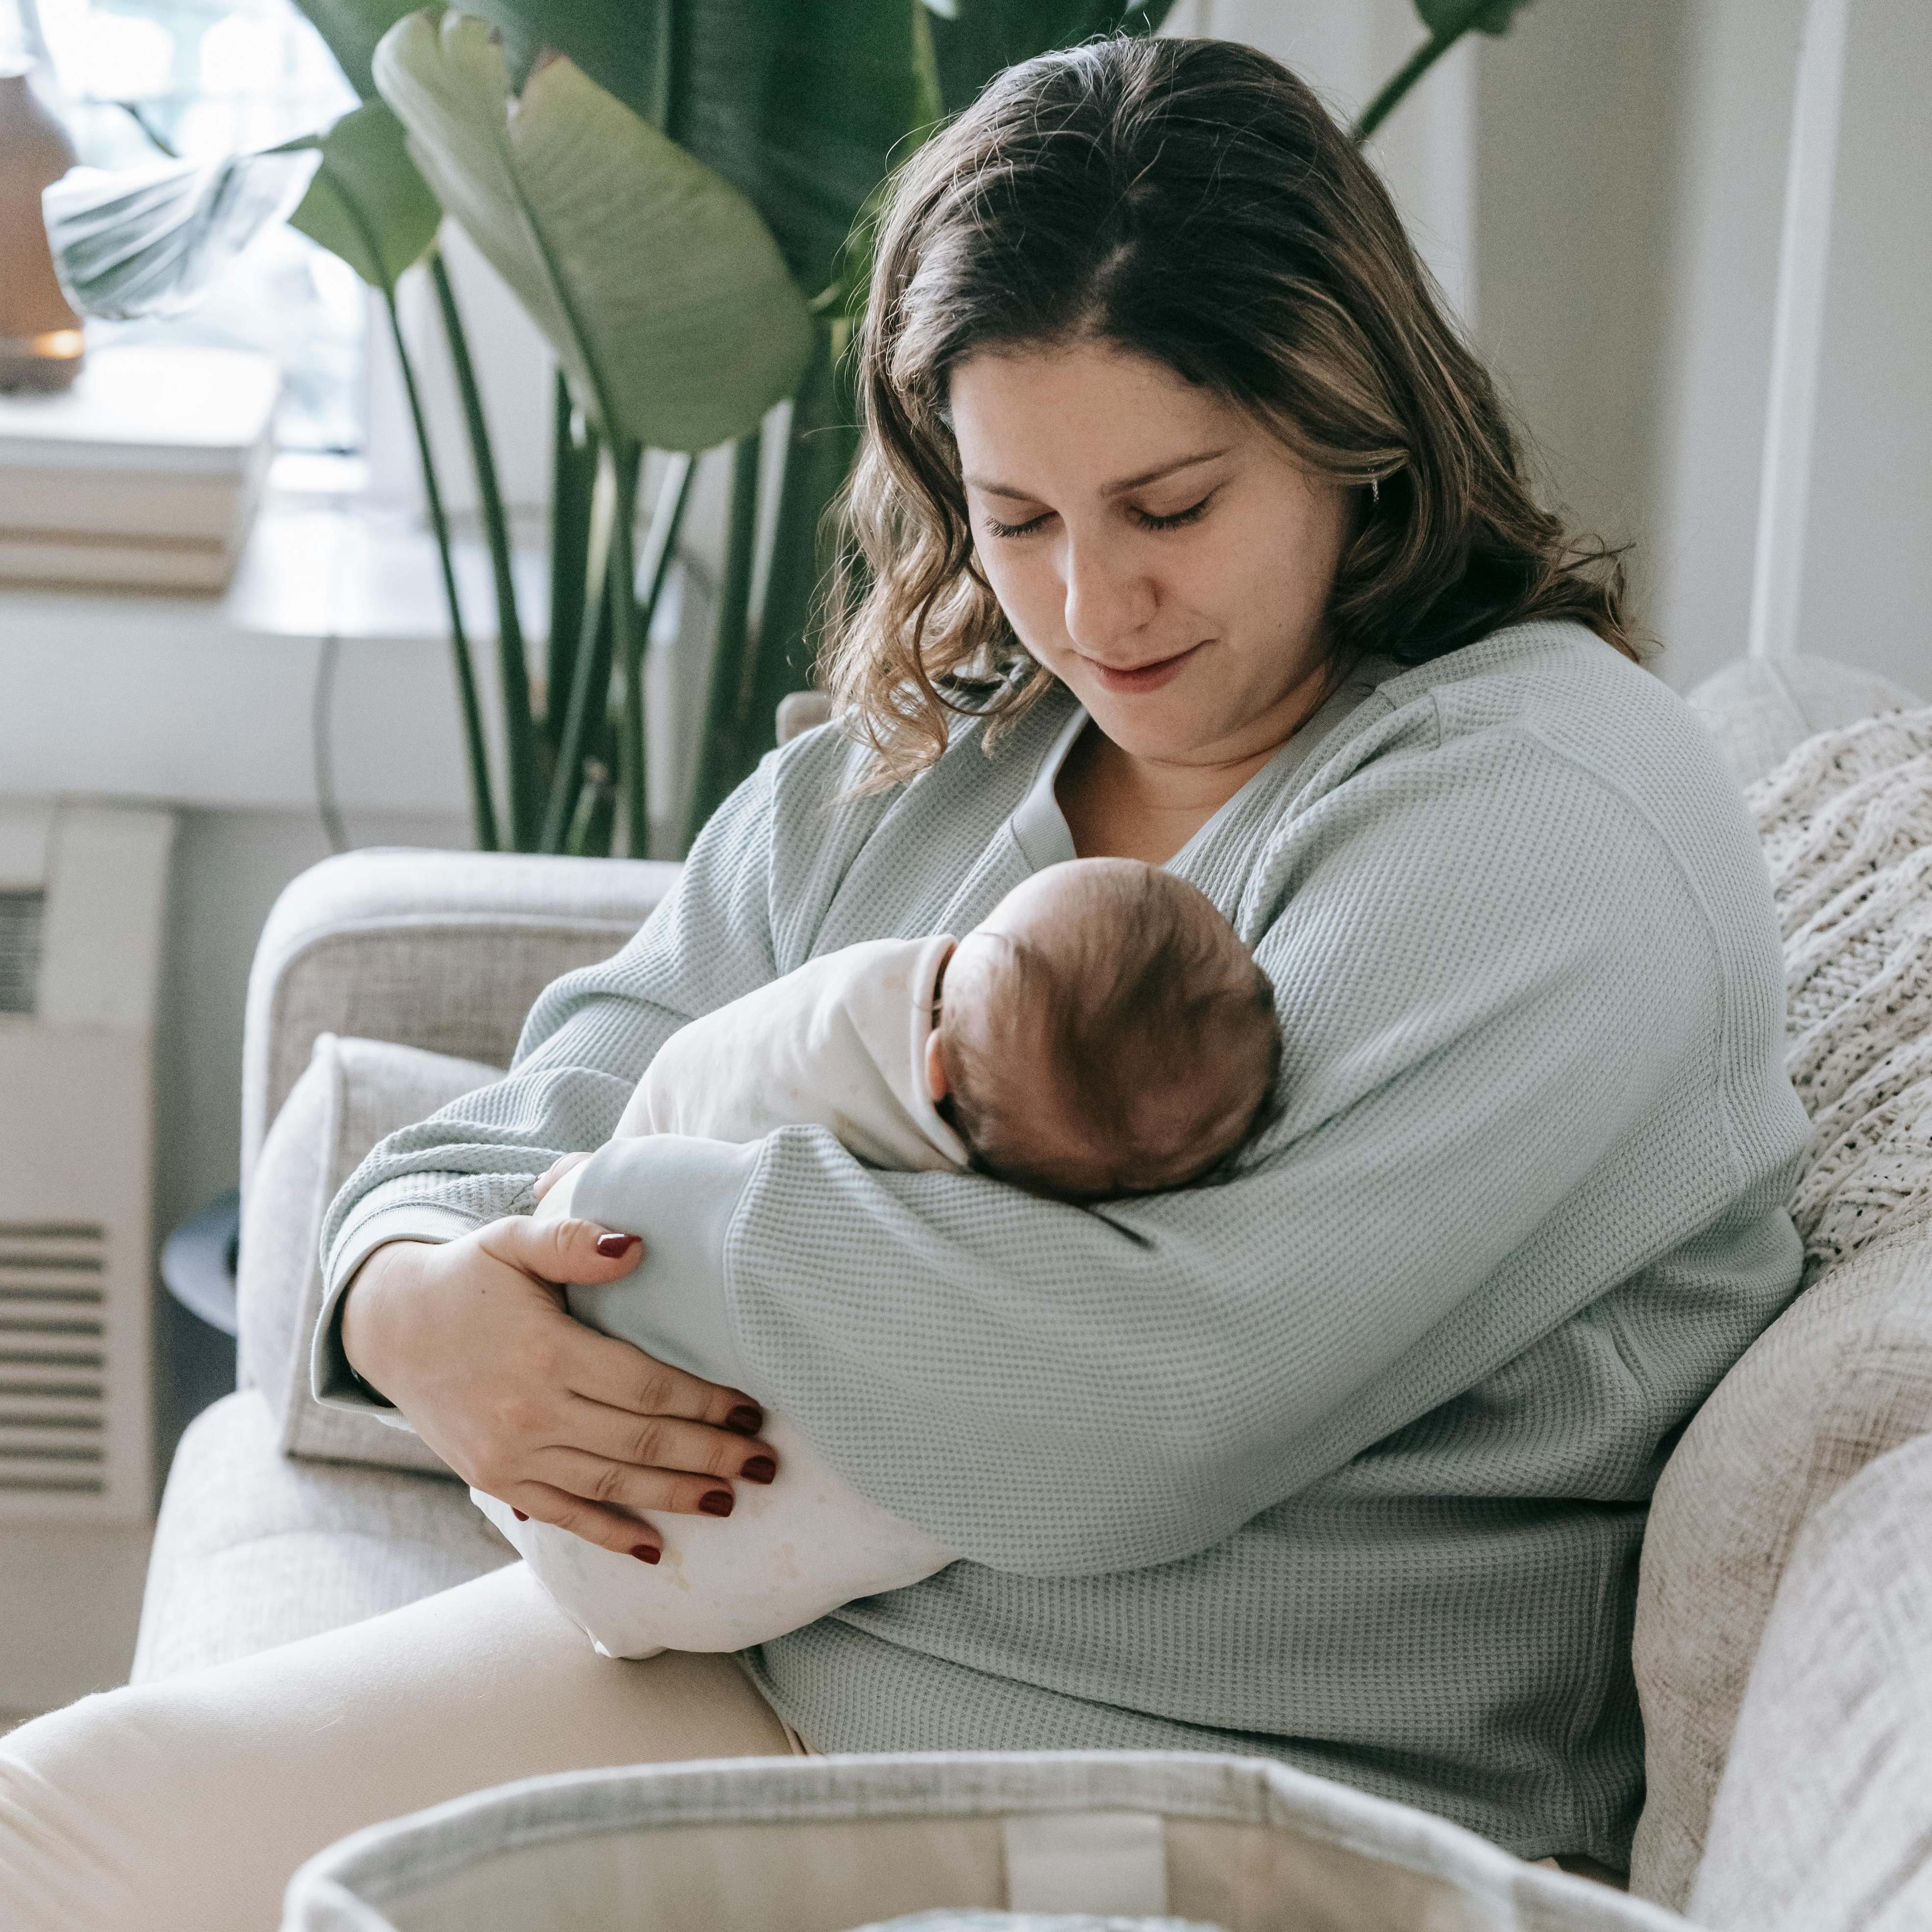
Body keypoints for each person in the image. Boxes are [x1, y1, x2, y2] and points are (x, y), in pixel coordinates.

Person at [0, 34, 1808, 1932]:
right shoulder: (917, 763)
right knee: (46, 1831)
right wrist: (409, 1300)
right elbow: (541, 1103)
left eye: (1170, 507)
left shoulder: (1538, 808)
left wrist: (632, 1216)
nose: (1092, 611)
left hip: (1213, 1786)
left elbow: (1133, 1415)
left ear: (1350, 435)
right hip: (778, 1663)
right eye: (1017, 519)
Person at [481, 856, 1282, 1660]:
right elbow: (544, 1088)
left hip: (619, 1520)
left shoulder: (846, 1041)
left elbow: (700, 1078)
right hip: (666, 1569)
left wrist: (604, 1183)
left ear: (932, 1063)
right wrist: (396, 1284)